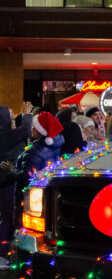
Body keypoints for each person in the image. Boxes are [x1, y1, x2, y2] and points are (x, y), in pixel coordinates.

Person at [0, 102, 33, 259]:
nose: (12, 120)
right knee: (8, 217)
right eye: (10, 118)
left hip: (4, 178)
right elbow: (25, 130)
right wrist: (27, 114)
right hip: (6, 181)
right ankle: (3, 251)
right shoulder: (5, 135)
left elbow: (18, 131)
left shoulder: (5, 133)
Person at [17, 111, 64, 180]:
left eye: (34, 126)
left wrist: (13, 171)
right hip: (47, 185)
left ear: (39, 131)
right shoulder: (55, 144)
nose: (31, 128)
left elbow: (26, 176)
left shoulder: (34, 152)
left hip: (31, 189)